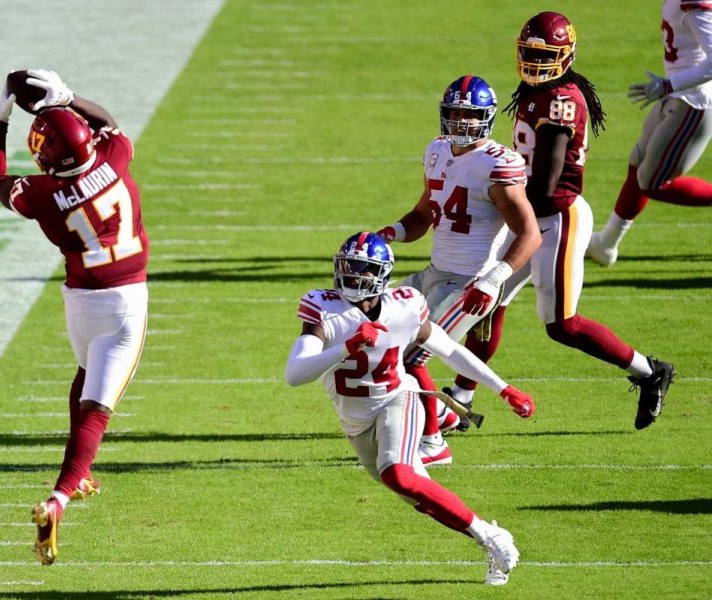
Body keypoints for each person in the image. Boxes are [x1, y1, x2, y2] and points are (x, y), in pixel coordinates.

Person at [446, 12, 676, 430]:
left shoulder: (560, 100)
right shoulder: (535, 89)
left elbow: (546, 183)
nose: (534, 62)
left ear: (565, 55)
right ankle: (461, 398)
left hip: (555, 218)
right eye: (530, 52)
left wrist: (496, 200)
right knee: (486, 298)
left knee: (562, 326)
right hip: (527, 215)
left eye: (544, 54)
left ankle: (649, 370)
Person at [285, 231, 534, 586]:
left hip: (398, 400)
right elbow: (295, 374)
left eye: (362, 269)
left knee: (399, 474)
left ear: (381, 275)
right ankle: (491, 538)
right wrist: (347, 348)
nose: (351, 276)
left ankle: (494, 539)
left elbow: (448, 349)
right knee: (419, 495)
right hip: (356, 423)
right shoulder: (325, 309)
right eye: (347, 267)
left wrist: (503, 388)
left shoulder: (405, 305)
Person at [0, 69, 149, 565]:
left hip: (79, 303)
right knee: (98, 408)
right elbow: (113, 127)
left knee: (86, 372)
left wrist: (0, 120)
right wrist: (70, 97)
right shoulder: (113, 161)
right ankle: (58, 496)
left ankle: (82, 477)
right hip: (124, 303)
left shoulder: (42, 196)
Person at [376, 75, 540, 465]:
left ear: (485, 117)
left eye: (469, 114)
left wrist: (494, 278)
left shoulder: (499, 164)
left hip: (470, 281)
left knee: (412, 357)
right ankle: (445, 413)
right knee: (382, 332)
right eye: (454, 112)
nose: (461, 121)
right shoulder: (436, 150)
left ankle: (434, 445)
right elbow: (422, 215)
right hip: (435, 271)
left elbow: (530, 233)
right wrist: (391, 233)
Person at [588, 0, 712, 266]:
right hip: (679, 94)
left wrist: (670, 84)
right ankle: (606, 243)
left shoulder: (695, 5)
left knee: (652, 181)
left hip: (694, 102)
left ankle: (606, 244)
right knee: (638, 160)